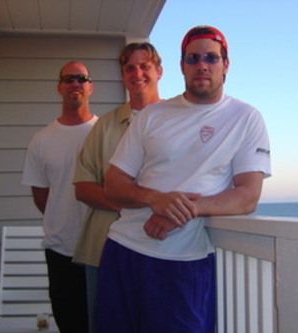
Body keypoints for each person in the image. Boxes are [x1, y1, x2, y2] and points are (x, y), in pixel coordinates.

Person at [97, 26, 271, 333]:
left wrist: (182, 210)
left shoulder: (246, 118)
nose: (202, 64)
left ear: (225, 64)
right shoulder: (153, 116)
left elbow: (248, 196)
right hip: (123, 250)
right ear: (182, 66)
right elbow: (113, 184)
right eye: (192, 58)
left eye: (211, 57)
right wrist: (155, 199)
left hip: (183, 261)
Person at [73, 42, 163, 332]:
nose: (137, 73)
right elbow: (83, 186)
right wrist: (133, 203)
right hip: (102, 249)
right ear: (123, 76)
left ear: (159, 71)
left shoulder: (178, 120)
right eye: (129, 68)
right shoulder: (105, 125)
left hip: (163, 249)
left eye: (144, 66)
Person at [21, 61, 98, 333]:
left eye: (81, 78)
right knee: (70, 324)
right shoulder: (41, 139)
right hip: (60, 250)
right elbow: (41, 196)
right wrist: (62, 219)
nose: (75, 83)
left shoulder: (104, 134)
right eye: (68, 79)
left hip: (102, 248)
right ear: (59, 87)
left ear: (90, 87)